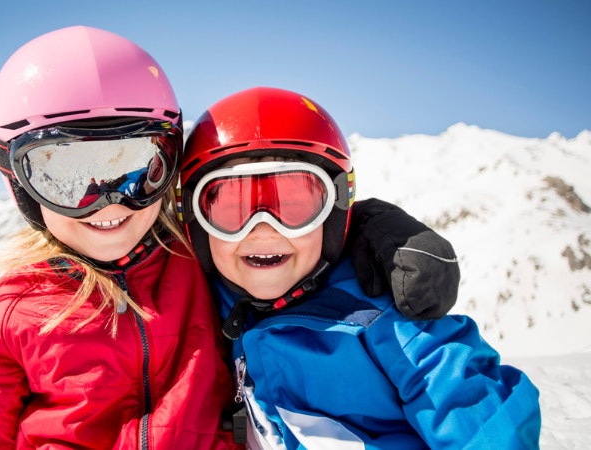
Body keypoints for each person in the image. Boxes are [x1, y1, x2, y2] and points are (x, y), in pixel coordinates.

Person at [0, 26, 459, 449]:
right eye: (66, 177)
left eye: (136, 167)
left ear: (171, 160)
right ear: (16, 181)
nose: (110, 201)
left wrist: (373, 226)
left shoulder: (198, 255)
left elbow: (280, 234)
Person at [178, 86, 541, 449]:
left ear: (334, 213)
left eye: (294, 206)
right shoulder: (207, 304)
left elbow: (474, 409)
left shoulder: (382, 317)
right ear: (196, 220)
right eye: (230, 208)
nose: (262, 230)